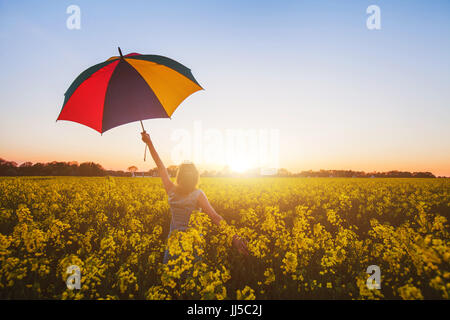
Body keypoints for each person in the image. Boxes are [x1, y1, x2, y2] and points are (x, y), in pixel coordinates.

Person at [141, 131, 249, 264]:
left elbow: (160, 166)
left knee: (170, 280)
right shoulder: (198, 194)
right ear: (195, 177)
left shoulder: (171, 190)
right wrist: (235, 237)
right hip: (192, 245)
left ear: (179, 176)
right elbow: (215, 218)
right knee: (191, 281)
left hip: (173, 245)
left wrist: (149, 143)